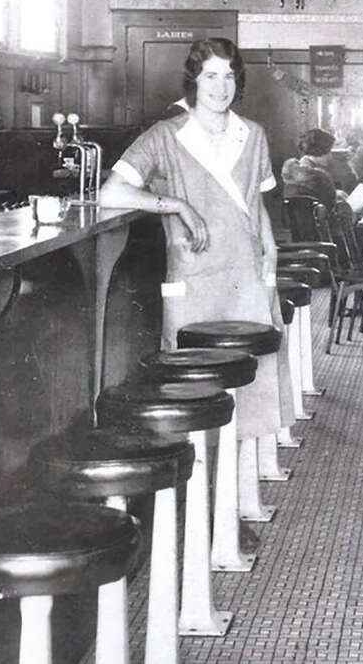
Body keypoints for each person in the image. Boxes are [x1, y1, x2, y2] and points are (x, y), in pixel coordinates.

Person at [98, 37, 289, 444]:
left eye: (229, 77)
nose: (221, 87)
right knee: (192, 385)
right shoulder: (167, 135)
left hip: (245, 270)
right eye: (211, 76)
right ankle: (197, 487)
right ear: (194, 81)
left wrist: (270, 250)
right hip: (194, 273)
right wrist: (176, 204)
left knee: (253, 381)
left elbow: (255, 201)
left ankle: (247, 492)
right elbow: (111, 194)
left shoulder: (252, 134)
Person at [282, 128, 340, 206]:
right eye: (329, 151)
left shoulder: (296, 171)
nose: (331, 156)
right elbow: (330, 205)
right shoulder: (321, 177)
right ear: (322, 151)